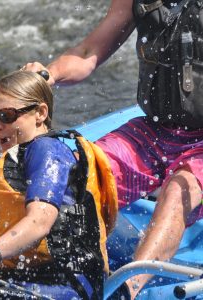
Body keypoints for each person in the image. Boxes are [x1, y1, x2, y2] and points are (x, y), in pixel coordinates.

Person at [23, 0, 203, 297]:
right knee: (82, 174)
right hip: (154, 130)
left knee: (177, 192)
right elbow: (86, 54)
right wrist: (46, 75)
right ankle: (45, 265)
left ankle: (127, 289)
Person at [0, 71, 118, 299]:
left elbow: (39, 222)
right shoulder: (21, 158)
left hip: (65, 288)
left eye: (6, 115)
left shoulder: (48, 151)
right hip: (27, 280)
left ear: (40, 113)